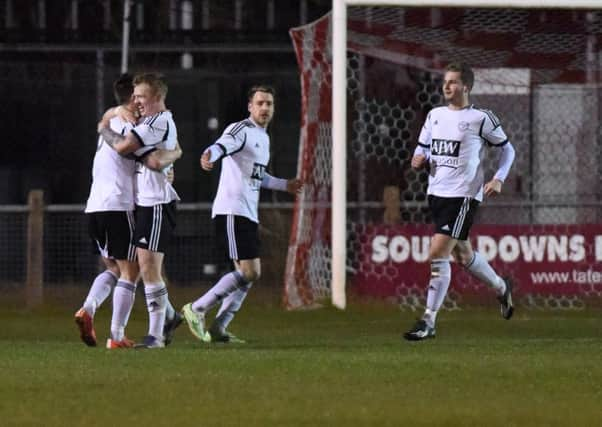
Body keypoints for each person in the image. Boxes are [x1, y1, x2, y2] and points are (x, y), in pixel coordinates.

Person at [403, 62, 516, 341]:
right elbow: (423, 148)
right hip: (437, 193)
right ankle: (502, 288)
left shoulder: (481, 118)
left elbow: (508, 151)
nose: (446, 86)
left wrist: (499, 178)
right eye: (445, 81)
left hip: (464, 195)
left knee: (437, 253)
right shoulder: (434, 115)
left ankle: (428, 320)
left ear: (466, 86)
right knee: (463, 256)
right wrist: (420, 158)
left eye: (452, 82)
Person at [181, 84, 303, 343]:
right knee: (250, 272)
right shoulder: (242, 129)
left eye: (269, 103)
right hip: (232, 210)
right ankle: (197, 308)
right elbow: (221, 146)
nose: (265, 108)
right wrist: (209, 155)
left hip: (247, 213)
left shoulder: (263, 137)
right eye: (260, 103)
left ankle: (218, 328)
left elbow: (257, 176)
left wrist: (285, 185)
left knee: (247, 275)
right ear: (250, 106)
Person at [75, 74, 182, 349]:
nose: (138, 102)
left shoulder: (118, 118)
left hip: (99, 204)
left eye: (141, 96)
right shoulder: (130, 121)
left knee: (126, 267)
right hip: (120, 204)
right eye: (135, 97)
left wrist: (169, 157)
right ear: (130, 101)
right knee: (133, 270)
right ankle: (119, 334)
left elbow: (155, 155)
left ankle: (96, 312)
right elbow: (146, 154)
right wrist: (173, 155)